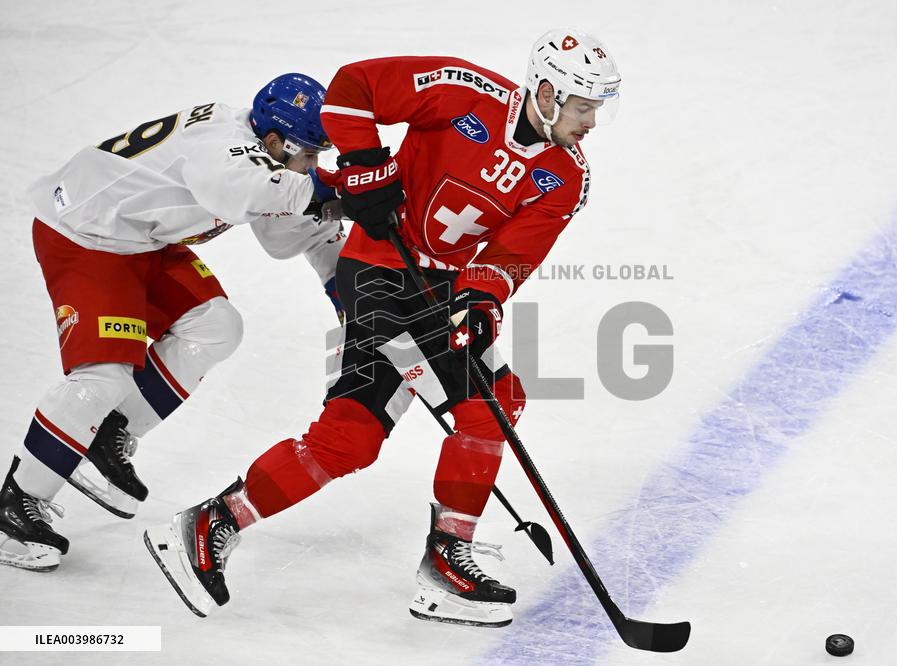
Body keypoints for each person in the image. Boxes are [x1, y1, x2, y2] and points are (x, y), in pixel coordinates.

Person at [145, 29, 621, 627]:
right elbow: (352, 89)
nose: (592, 123)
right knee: (490, 402)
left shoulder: (565, 176)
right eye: (584, 107)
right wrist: (366, 164)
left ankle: (215, 521)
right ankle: (447, 561)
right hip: (378, 269)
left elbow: (509, 255)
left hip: (440, 290)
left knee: (351, 436)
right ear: (547, 92)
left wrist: (482, 302)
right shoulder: (461, 90)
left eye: (598, 108)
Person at [0, 73, 347, 572]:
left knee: (217, 325)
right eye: (310, 155)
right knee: (103, 377)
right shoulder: (224, 146)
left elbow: (301, 233)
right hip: (87, 232)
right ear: (274, 141)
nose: (314, 166)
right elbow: (249, 190)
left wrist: (354, 303)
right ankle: (15, 504)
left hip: (142, 239)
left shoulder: (269, 160)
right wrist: (342, 189)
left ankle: (107, 435)